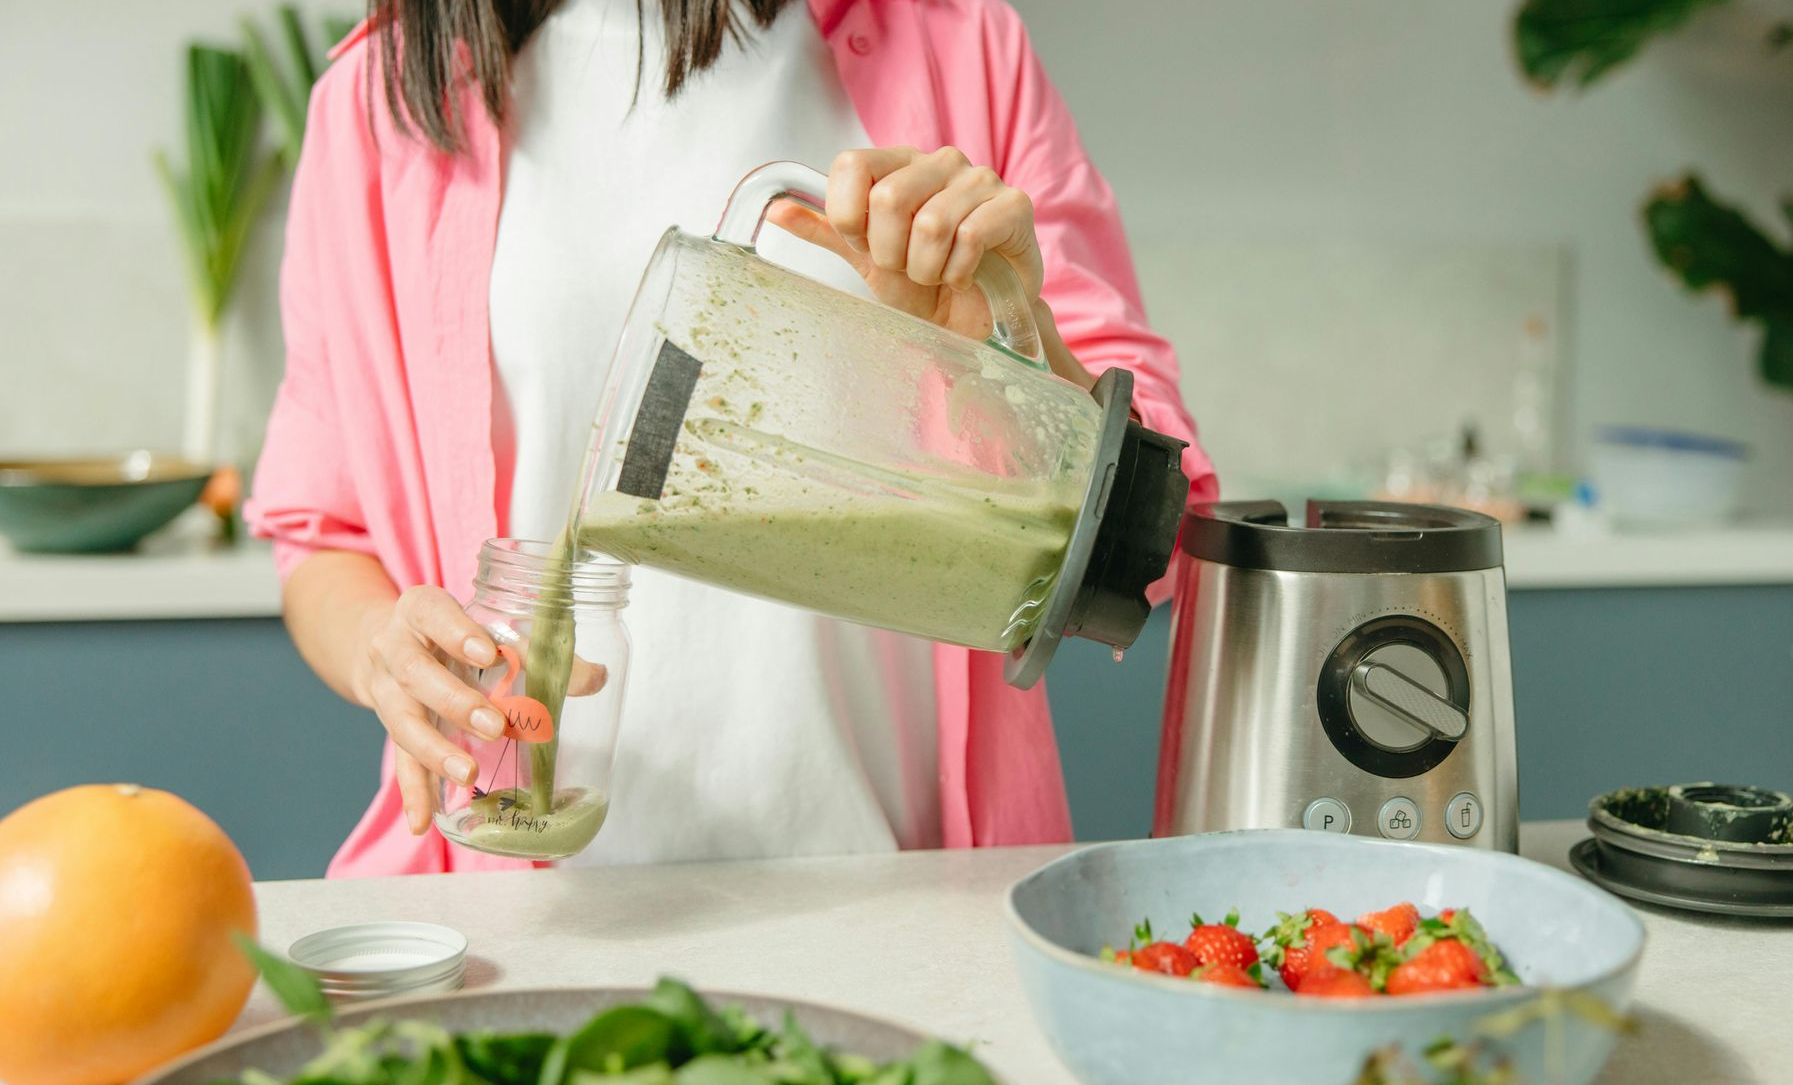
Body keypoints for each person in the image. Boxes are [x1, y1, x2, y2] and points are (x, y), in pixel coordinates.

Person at [245, 0, 1218, 877]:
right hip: (524, 915)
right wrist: (382, 647)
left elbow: (1159, 538)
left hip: (899, 891)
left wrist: (1012, 352)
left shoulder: (963, 51)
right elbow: (324, 536)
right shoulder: (376, 105)